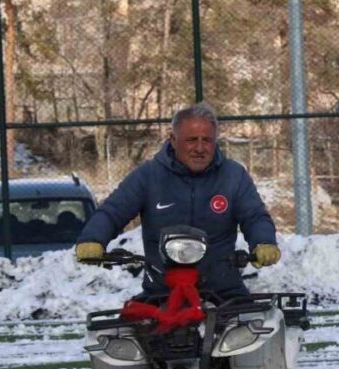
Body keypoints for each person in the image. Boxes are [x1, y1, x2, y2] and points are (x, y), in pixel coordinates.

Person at [75, 102, 280, 298]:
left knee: (259, 330)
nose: (199, 148)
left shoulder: (234, 176)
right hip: (162, 292)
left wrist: (263, 242)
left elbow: (254, 216)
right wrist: (93, 239)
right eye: (191, 140)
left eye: (206, 140)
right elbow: (112, 211)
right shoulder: (148, 175)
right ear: (173, 140)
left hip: (223, 291)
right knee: (121, 332)